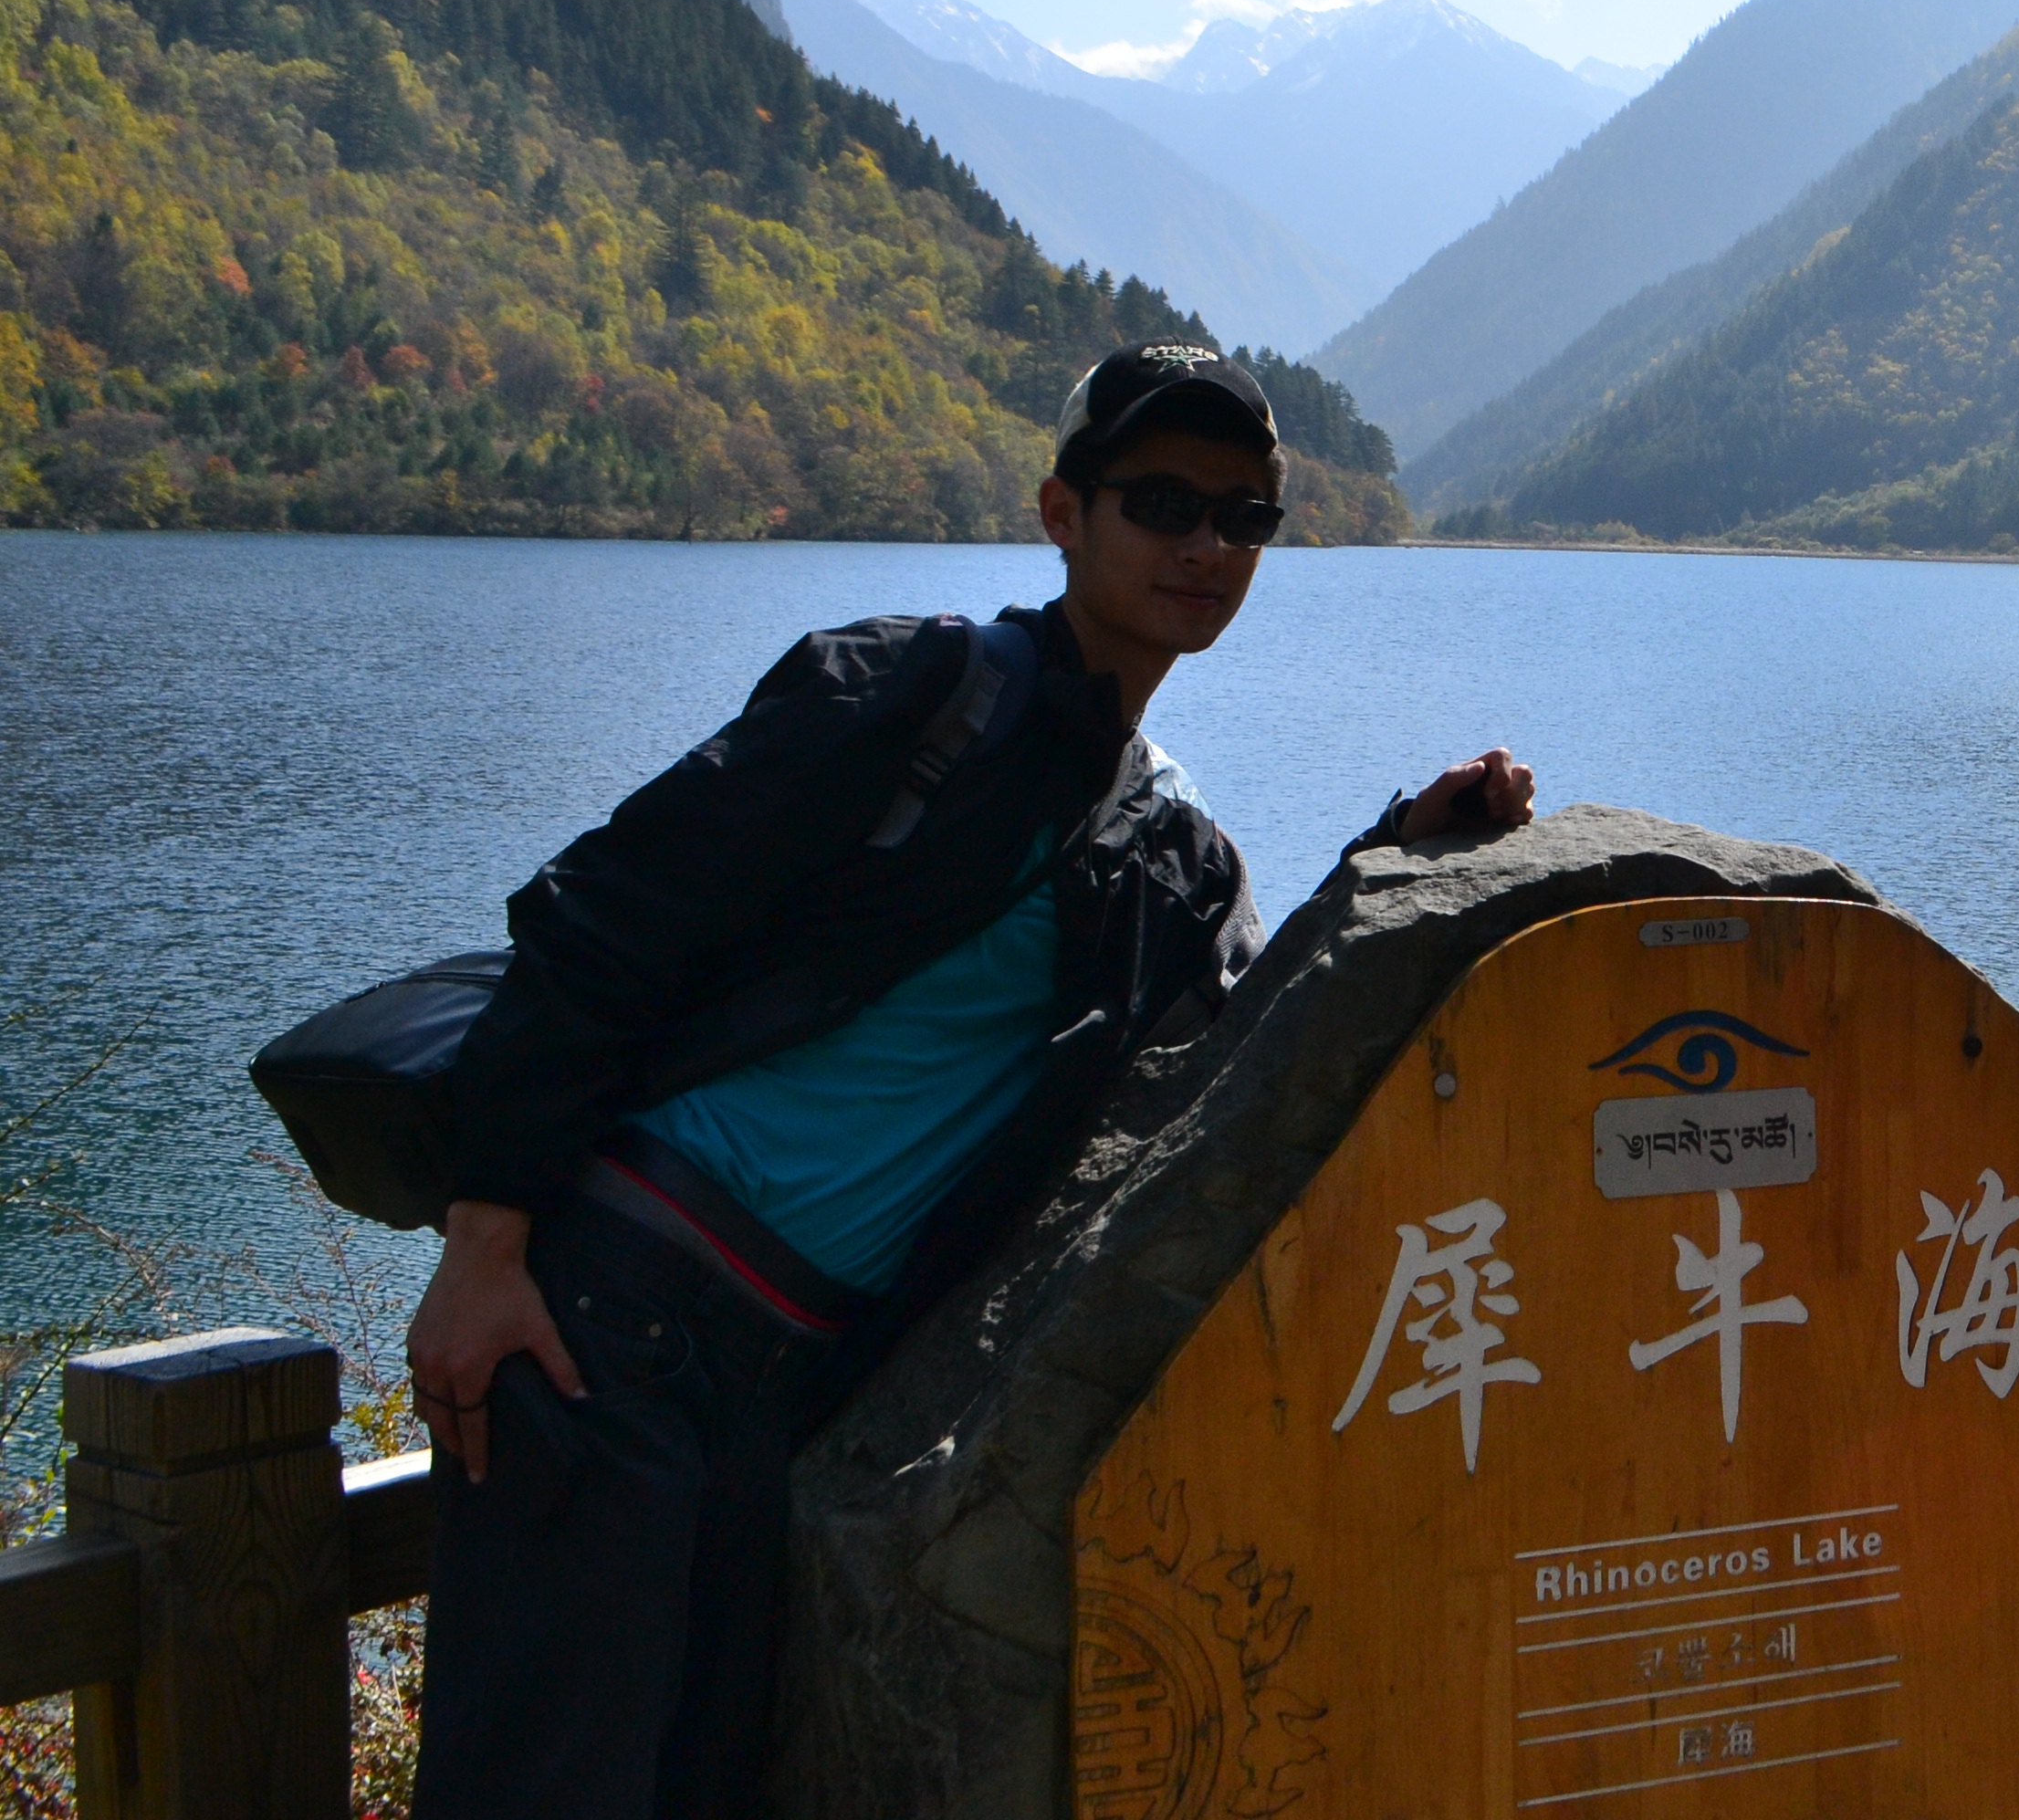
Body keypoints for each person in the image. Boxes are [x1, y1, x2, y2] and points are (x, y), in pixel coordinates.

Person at [404, 341, 1533, 1820]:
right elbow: (608, 913)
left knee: (695, 1784)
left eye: (1243, 519)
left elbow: (1222, 1069)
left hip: (800, 1384)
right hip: (619, 1316)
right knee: (546, 1786)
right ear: (1064, 514)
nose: (1204, 547)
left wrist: (1398, 854)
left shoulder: (1174, 850)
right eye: (1161, 504)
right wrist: (484, 1243)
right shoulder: (912, 690)